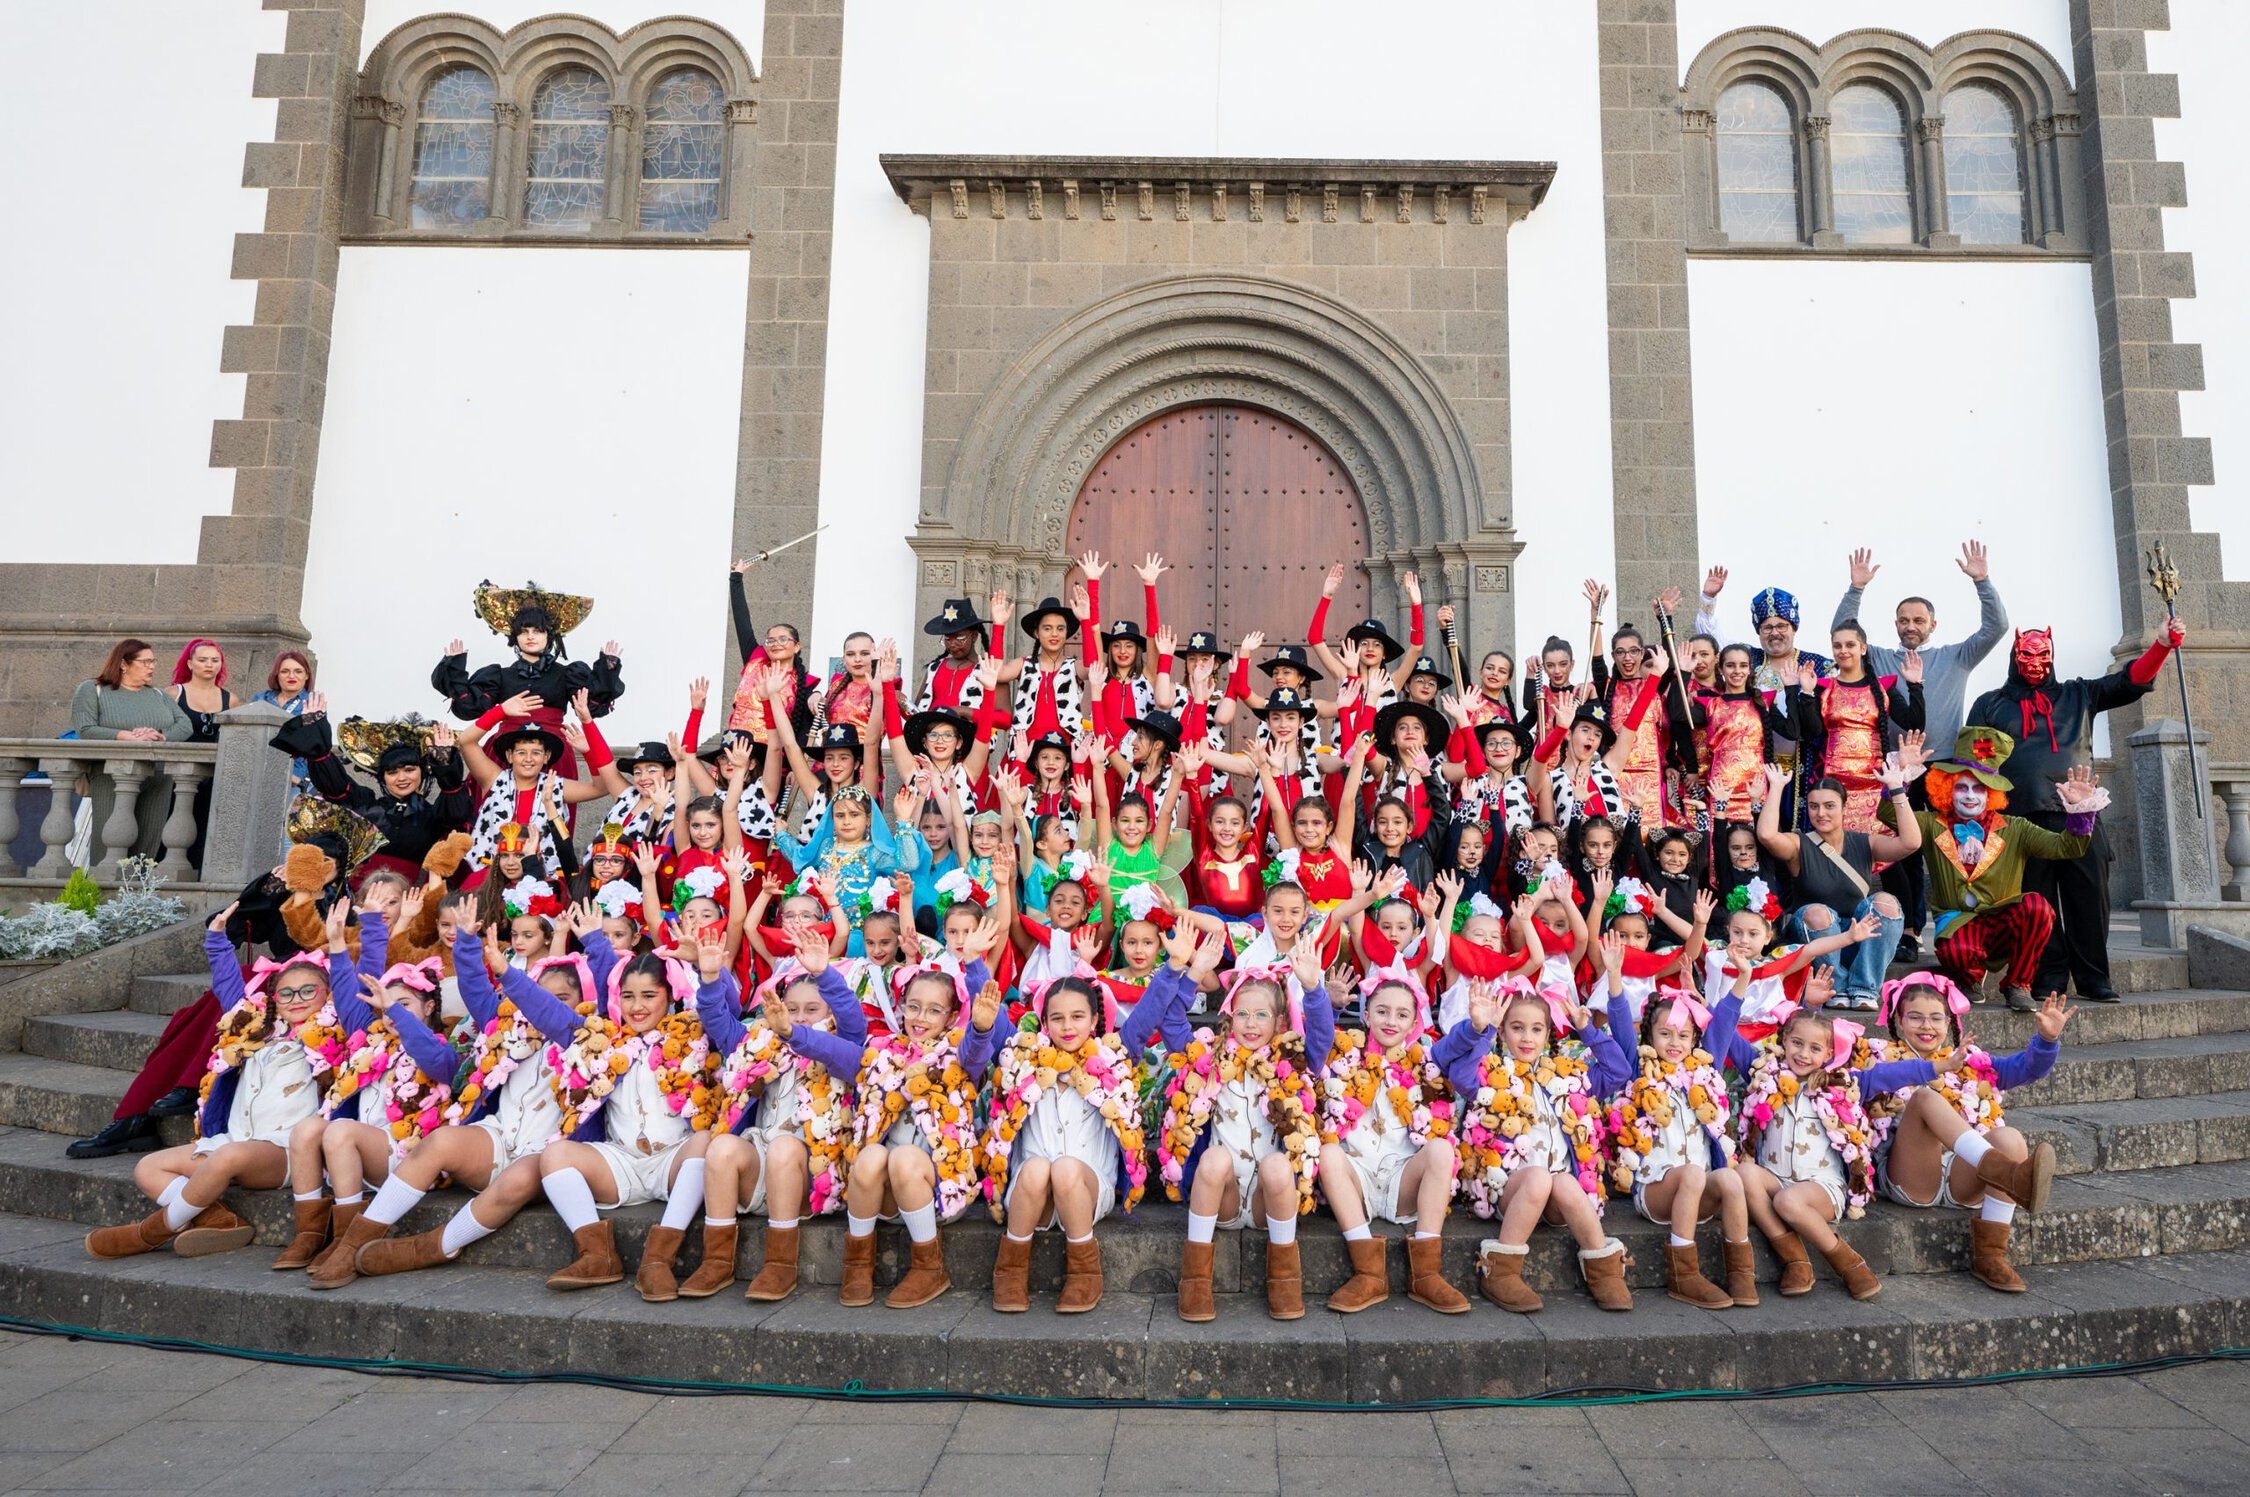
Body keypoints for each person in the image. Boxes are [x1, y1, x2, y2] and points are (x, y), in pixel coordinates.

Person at [84, 900, 353, 1261]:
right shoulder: (257, 1029)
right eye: (286, 993)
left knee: (226, 1157)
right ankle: (218, 1219)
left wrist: (337, 947)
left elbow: (351, 996)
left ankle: (152, 1231)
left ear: (327, 994)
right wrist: (217, 941)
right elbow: (229, 990)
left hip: (285, 1151)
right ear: (274, 998)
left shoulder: (337, 1033)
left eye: (309, 991)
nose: (297, 999)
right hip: (234, 1142)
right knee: (148, 1167)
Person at [1965, 620, 2183, 1002]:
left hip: (2078, 812)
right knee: (2037, 901)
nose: (2035, 662)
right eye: (2027, 654)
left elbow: (2128, 682)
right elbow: (1977, 763)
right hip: (2020, 819)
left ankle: (2094, 976)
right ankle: (2049, 975)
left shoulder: (2078, 694)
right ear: (2015, 656)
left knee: (2090, 893)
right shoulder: (1989, 703)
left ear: (2052, 656)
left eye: (2042, 654)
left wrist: (2162, 646)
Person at [1703, 972, 1947, 1300]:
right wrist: (1707, 1003)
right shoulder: (1763, 1071)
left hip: (1822, 1188)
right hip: (1774, 1180)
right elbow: (1725, 1033)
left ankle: (1849, 1264)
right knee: (1745, 1172)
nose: (1803, 1054)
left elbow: (1890, 1073)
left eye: (1814, 1048)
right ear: (1782, 1041)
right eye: (1796, 1044)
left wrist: (1937, 1068)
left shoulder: (1843, 1083)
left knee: (1789, 1201)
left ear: (1829, 1053)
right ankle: (1794, 1258)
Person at [1156, 928, 1331, 1321]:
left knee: (1276, 1164)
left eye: (1262, 1015)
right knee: (1215, 1158)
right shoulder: (1210, 1056)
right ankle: (1195, 1281)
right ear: (1229, 1016)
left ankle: (1285, 1279)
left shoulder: (1293, 1060)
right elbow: (1170, 1025)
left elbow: (1322, 1037)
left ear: (1281, 1020)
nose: (1251, 1024)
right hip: (1224, 1197)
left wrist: (1314, 989)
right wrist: (1193, 972)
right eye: (1242, 1014)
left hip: (1269, 1201)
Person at [687, 929, 868, 1300]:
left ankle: (779, 1264)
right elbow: (718, 1021)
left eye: (812, 1009)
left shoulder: (842, 1046)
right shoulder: (758, 1041)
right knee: (721, 1148)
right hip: (760, 1168)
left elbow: (853, 1021)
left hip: (809, 1176)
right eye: (791, 1008)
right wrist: (709, 980)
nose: (799, 1017)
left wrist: (825, 976)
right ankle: (716, 1261)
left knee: (786, 1147)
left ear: (828, 1012)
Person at [982, 967, 1171, 1314]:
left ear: (1095, 1019)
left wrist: (1173, 970)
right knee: (1039, 1167)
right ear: (1043, 1022)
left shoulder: (1112, 1058)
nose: (1067, 1027)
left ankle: (1084, 1271)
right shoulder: (1025, 1059)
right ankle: (1010, 1268)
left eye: (1077, 1016)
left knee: (1065, 1168)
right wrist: (971, 965)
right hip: (1032, 1194)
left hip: (1086, 1188)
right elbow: (988, 1013)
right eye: (1057, 1018)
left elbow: (1146, 1016)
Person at [1866, 973, 2069, 1292]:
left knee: (2010, 1137)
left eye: (1936, 1018)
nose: (1926, 1026)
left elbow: (2027, 1069)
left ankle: (1990, 1256)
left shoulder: (1971, 1062)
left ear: (1949, 1022)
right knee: (1924, 1097)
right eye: (1915, 1017)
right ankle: (2008, 1175)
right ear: (1898, 1022)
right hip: (1913, 1178)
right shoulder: (1876, 1057)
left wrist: (2047, 1041)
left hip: (1962, 1181)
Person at [1317, 965, 1490, 1314]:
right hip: (1357, 1183)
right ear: (1365, 1015)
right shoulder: (1345, 1053)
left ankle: (1426, 1274)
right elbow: (1317, 1036)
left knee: (1441, 1149)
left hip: (1403, 1183)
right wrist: (1328, 1005)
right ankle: (1368, 1271)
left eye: (1401, 1014)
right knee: (1329, 1153)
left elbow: (1455, 1043)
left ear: (1415, 1024)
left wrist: (1475, 1027)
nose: (1390, 1021)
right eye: (1381, 1011)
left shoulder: (1425, 1059)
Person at [1902, 727, 2109, 1012]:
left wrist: (2081, 812)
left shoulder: (2016, 828)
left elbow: (2066, 848)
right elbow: (1889, 816)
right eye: (1962, 787)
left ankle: (2018, 984)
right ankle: (1970, 978)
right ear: (1947, 789)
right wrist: (1900, 780)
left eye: (1980, 788)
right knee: (1955, 951)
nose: (1970, 796)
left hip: (2003, 922)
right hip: (1959, 923)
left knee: (2038, 907)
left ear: (1993, 793)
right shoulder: (1929, 823)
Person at [1463, 980, 1635, 1313]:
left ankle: (1603, 1269)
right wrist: (1481, 1029)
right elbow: (1459, 1072)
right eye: (1516, 1028)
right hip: (1514, 1190)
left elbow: (1618, 1071)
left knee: (1564, 1182)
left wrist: (1587, 1029)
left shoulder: (1568, 1075)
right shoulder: (1489, 1072)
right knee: (1540, 1177)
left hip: (1558, 1199)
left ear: (1548, 1034)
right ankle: (1499, 1270)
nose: (1526, 1037)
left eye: (1536, 1029)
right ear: (1502, 1032)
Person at [1602, 986, 1754, 1309]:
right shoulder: (1639, 1069)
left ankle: (1741, 1271)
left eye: (1684, 1036)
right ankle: (1683, 1274)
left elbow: (1724, 1024)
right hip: (1656, 1190)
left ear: (1695, 1040)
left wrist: (1741, 980)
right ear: (1649, 1035)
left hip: (1697, 1195)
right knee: (1693, 1175)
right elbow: (1619, 1027)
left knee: (1730, 1178)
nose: (1675, 1043)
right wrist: (1615, 981)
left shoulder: (1703, 1073)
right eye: (1665, 1034)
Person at [1755, 755, 1925, 1011]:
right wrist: (1777, 787)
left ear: (1844, 808)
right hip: (1817, 938)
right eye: (1814, 806)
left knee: (1887, 902)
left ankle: (1865, 989)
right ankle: (1834, 987)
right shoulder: (1798, 843)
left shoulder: (1864, 842)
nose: (1821, 813)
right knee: (1819, 914)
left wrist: (1897, 789)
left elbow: (1910, 843)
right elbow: (1767, 835)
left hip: (1858, 940)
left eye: (1829, 806)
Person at [271, 696, 476, 886]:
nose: (402, 778)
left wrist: (445, 762)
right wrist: (314, 728)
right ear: (383, 777)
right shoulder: (365, 804)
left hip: (409, 903)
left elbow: (454, 804)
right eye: (392, 772)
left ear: (422, 771)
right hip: (359, 898)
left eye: (409, 770)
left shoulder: (434, 815)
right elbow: (334, 784)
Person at [432, 581, 624, 780]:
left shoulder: (568, 674)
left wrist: (607, 671)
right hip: (506, 750)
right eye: (524, 631)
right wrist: (454, 670)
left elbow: (592, 707)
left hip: (553, 752)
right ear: (515, 637)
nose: (530, 636)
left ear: (549, 636)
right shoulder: (500, 675)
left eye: (538, 631)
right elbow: (468, 707)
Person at [1833, 543, 2008, 754]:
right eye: (1904, 621)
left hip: (1943, 762)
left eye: (1919, 621)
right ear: (1896, 624)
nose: (1910, 627)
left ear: (1933, 625)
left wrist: (1982, 581)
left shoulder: (1958, 657)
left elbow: (1996, 627)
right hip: (1892, 763)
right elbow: (1842, 633)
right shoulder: (1878, 658)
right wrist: (1856, 588)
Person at [70, 638, 194, 861]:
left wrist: (159, 737)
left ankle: (138, 893)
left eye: (152, 661)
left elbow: (184, 725)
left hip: (157, 775)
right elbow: (86, 728)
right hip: (111, 775)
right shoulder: (93, 689)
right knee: (109, 840)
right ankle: (105, 890)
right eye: (145, 662)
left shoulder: (158, 695)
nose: (152, 666)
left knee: (147, 844)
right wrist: (127, 736)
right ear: (123, 664)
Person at [253, 650, 317, 798]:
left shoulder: (312, 702)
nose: (291, 676)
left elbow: (314, 744)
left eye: (298, 671)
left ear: (306, 675)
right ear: (277, 675)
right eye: (285, 671)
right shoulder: (261, 698)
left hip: (293, 775)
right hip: (259, 770)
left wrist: (297, 773)